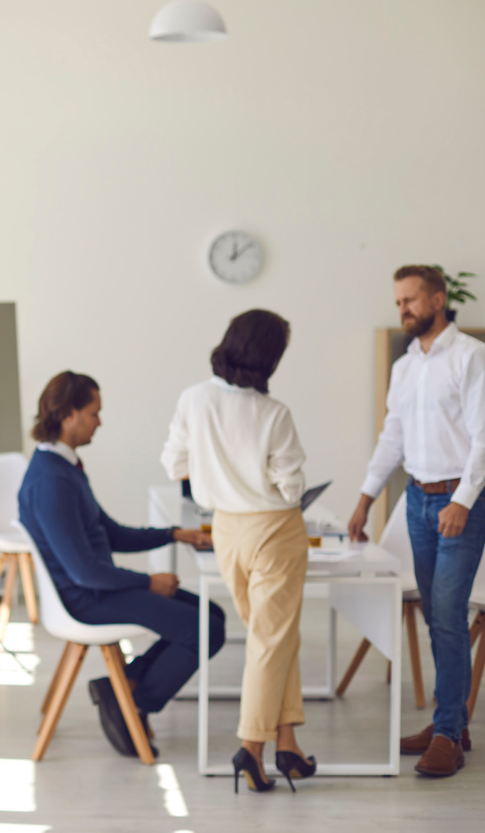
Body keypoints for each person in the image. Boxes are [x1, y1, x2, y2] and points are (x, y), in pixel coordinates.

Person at [347, 265, 485, 779]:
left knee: (447, 612)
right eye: (397, 302)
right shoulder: (407, 364)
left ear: (438, 300)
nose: (402, 310)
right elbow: (393, 435)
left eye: (410, 300)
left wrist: (461, 501)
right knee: (440, 616)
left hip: (461, 502)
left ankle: (446, 734)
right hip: (415, 501)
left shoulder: (475, 357)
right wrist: (366, 497)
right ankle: (450, 724)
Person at [18, 371, 225, 759]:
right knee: (205, 631)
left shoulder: (65, 468)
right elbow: (83, 571)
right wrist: (149, 582)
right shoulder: (51, 481)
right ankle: (135, 702)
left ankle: (126, 682)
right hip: (86, 598)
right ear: (69, 415)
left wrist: (173, 534)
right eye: (94, 412)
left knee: (211, 614)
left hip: (98, 586)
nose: (100, 421)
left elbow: (108, 533)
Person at [161, 309, 316, 793]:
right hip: (275, 531)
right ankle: (251, 748)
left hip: (225, 531)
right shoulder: (274, 414)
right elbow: (291, 488)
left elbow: (174, 464)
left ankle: (287, 744)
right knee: (271, 641)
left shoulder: (194, 398)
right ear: (270, 357)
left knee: (274, 638)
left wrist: (219, 477)